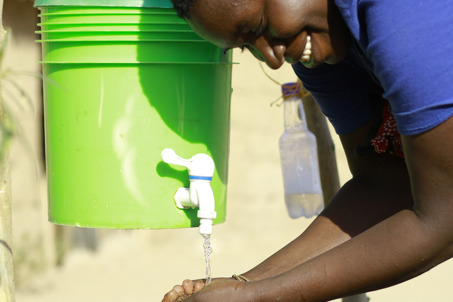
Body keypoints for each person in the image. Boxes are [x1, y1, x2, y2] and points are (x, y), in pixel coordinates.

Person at [162, 0, 453, 301]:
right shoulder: (321, 54)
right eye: (248, 47)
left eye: (259, 26)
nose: (273, 59)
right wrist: (245, 284)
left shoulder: (399, 10)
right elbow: (385, 184)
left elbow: (445, 218)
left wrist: (257, 297)